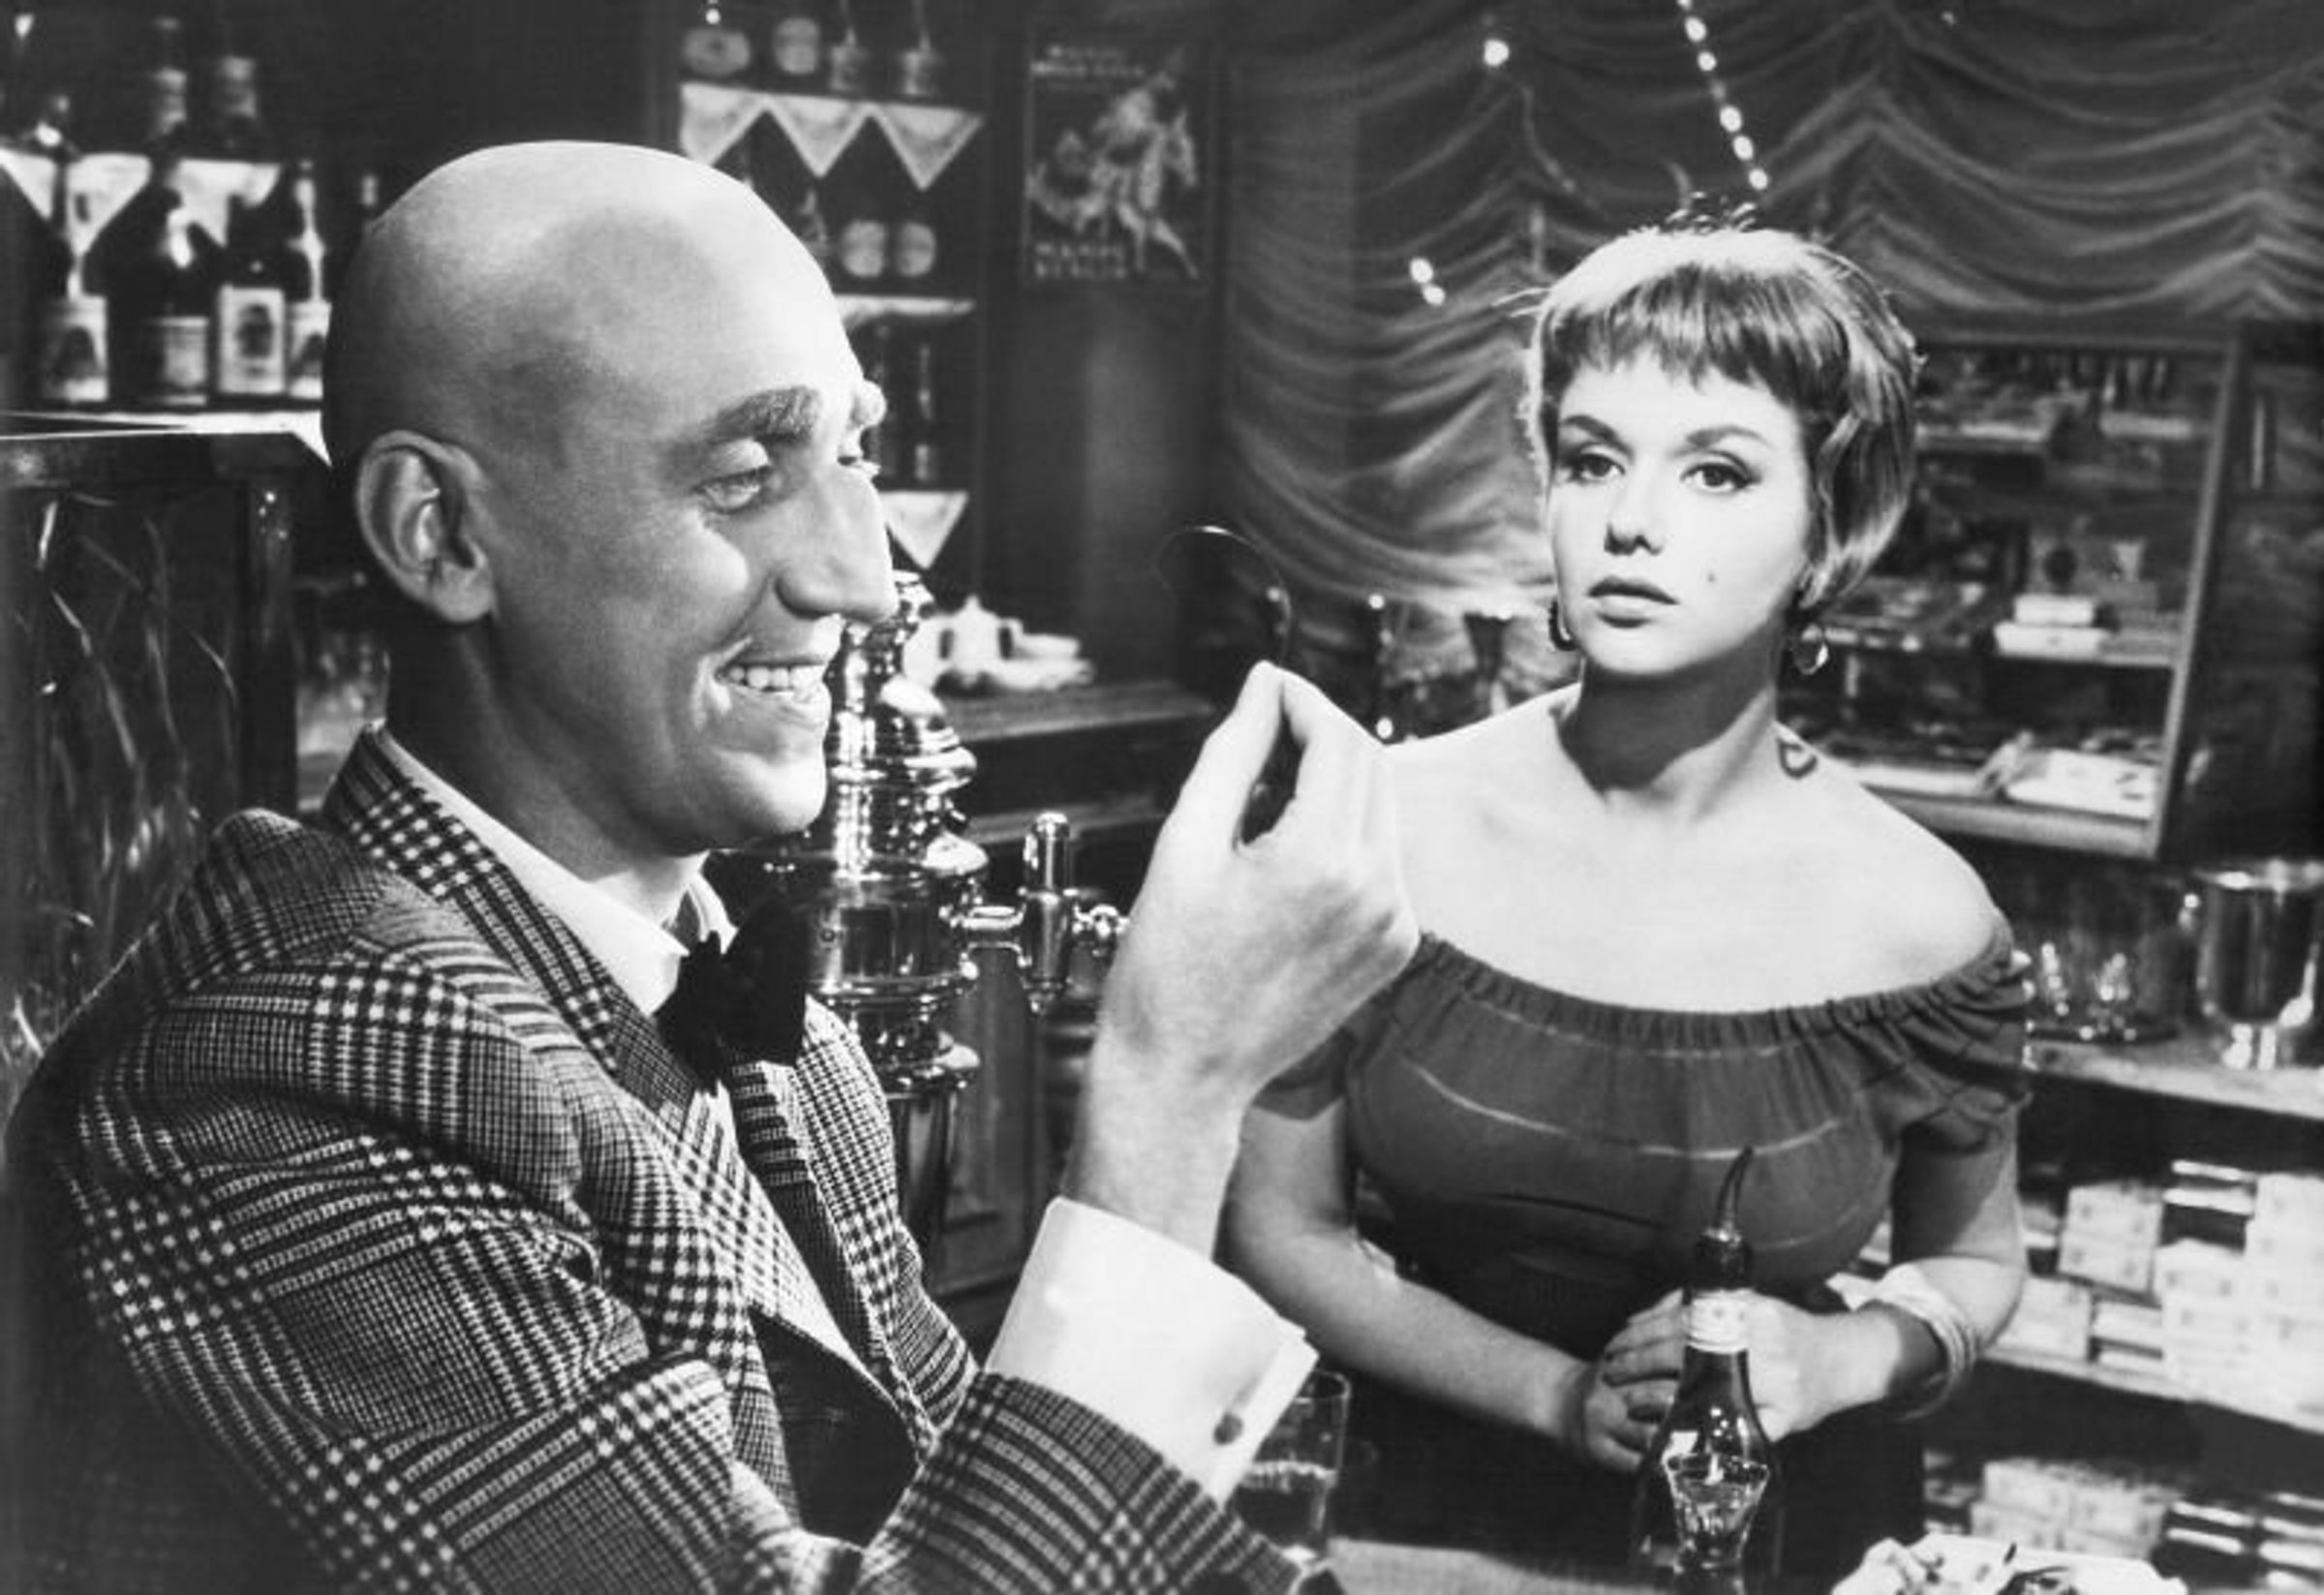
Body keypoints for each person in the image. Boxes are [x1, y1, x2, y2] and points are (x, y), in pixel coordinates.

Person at [1, 140, 1417, 1592]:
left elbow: (974, 1526)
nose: (862, 580)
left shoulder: (755, 1021)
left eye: (854, 456)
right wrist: (1173, 1091)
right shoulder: (261, 1082)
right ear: (442, 535)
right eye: (745, 477)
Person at [1222, 212, 2032, 1579]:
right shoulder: (1379, 828)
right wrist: (1554, 1395)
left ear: (1830, 532)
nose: (1631, 521)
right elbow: (1279, 1227)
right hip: (1425, 1534)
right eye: (1594, 459)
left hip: (1776, 1544)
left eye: (1717, 472)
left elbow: (1977, 1265)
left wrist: (1834, 1357)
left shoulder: (1925, 920)